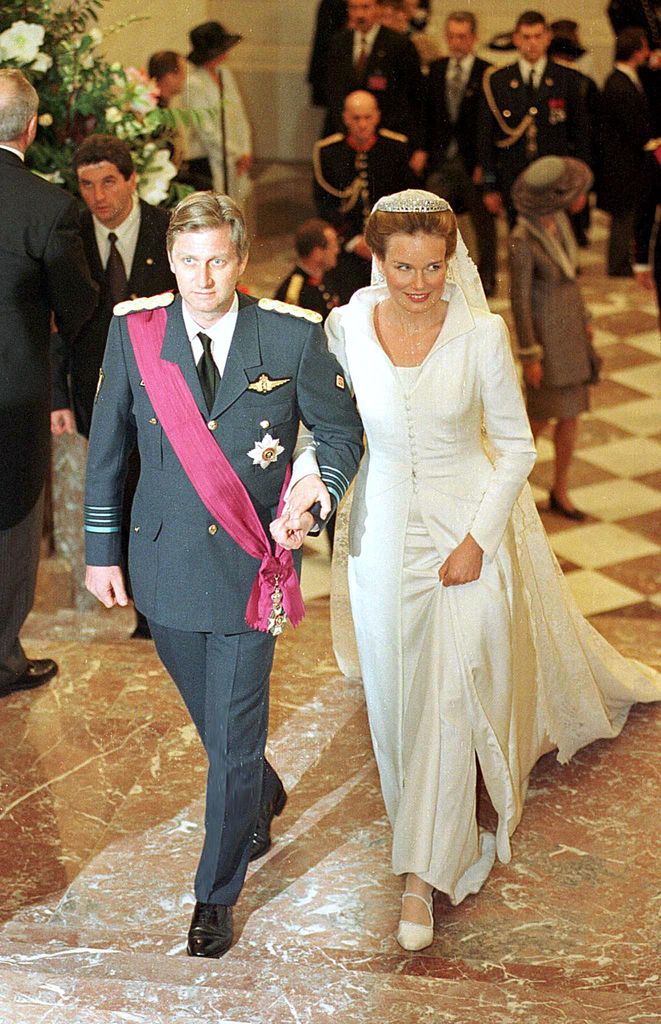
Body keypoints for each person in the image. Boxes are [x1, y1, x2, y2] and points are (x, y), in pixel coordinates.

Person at [276, 188, 660, 951]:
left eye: (434, 266)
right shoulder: (346, 328)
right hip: (379, 536)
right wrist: (306, 486)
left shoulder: (481, 335)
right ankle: (423, 833)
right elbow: (326, 432)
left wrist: (478, 540)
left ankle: (422, 876)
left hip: (465, 536)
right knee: (396, 700)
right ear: (375, 259)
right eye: (403, 267)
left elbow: (515, 447)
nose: (419, 284)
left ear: (453, 260)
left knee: (451, 692)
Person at [83, 191, 364, 958]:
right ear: (169, 262)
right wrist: (101, 551)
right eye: (187, 261)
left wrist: (318, 489)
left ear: (241, 260)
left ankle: (215, 893)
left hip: (250, 564)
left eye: (217, 260)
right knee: (214, 721)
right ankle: (263, 792)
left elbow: (339, 430)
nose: (202, 277)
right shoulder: (135, 334)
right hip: (163, 560)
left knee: (233, 738)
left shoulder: (289, 336)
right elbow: (107, 446)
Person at [0, 69, 97, 699]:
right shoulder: (50, 206)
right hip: (13, 394)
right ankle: (2, 661)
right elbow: (80, 303)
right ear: (33, 128)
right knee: (12, 524)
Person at [509, 156, 598, 520]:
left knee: (572, 413)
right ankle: (508, 492)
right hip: (547, 341)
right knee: (539, 420)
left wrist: (586, 319)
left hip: (571, 333)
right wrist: (530, 354)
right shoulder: (521, 239)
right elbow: (519, 300)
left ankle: (560, 489)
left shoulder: (560, 223)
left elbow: (570, 277)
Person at [478, 10, 592, 225]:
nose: (532, 43)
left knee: (557, 247)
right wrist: (490, 185)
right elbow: (486, 136)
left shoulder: (567, 79)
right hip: (514, 179)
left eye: (538, 36)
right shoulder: (498, 81)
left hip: (556, 179)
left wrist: (581, 187)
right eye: (526, 37)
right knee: (519, 245)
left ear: (548, 37)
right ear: (516, 39)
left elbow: (581, 134)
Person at [313, 90, 416, 300]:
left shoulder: (395, 148)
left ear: (377, 116)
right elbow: (324, 205)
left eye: (368, 117)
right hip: (346, 247)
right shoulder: (328, 152)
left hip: (390, 244)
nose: (362, 124)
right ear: (345, 118)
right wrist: (353, 241)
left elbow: (409, 199)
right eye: (356, 118)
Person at [424, 10, 497, 295]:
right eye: (452, 36)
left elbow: (489, 125)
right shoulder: (437, 69)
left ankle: (487, 276)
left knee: (482, 222)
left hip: (472, 161)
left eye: (462, 36)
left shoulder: (487, 72)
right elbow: (426, 114)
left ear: (474, 38)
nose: (456, 42)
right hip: (442, 158)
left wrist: (484, 162)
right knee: (435, 220)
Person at [324, 0, 426, 161]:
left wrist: (419, 146)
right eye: (354, 8)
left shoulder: (399, 45)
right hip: (348, 139)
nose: (360, 14)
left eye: (365, 7)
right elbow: (333, 92)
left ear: (378, 8)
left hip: (388, 139)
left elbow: (416, 99)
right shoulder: (339, 43)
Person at [597, 28, 656, 277]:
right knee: (624, 215)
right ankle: (618, 264)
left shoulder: (628, 78)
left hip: (628, 162)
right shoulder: (618, 84)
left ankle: (622, 261)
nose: (647, 53)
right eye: (643, 47)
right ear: (634, 51)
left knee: (628, 214)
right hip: (622, 163)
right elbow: (632, 124)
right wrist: (650, 141)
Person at [178, 22, 253, 202]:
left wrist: (245, 150)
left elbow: (239, 113)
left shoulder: (224, 73)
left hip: (234, 155)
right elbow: (206, 130)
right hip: (209, 159)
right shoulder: (194, 83)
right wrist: (234, 154)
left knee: (237, 205)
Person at [274, 219, 341, 322]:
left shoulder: (329, 278)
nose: (337, 250)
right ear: (317, 253)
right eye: (332, 246)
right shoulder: (295, 290)